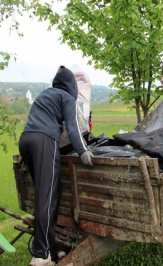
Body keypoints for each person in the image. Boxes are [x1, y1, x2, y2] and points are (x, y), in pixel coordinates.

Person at [19, 66, 94, 265]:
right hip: (44, 141)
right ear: (71, 86)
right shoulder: (67, 97)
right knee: (46, 197)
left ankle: (49, 247)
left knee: (53, 191)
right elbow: (73, 127)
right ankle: (40, 254)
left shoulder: (45, 94)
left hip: (26, 140)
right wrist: (83, 151)